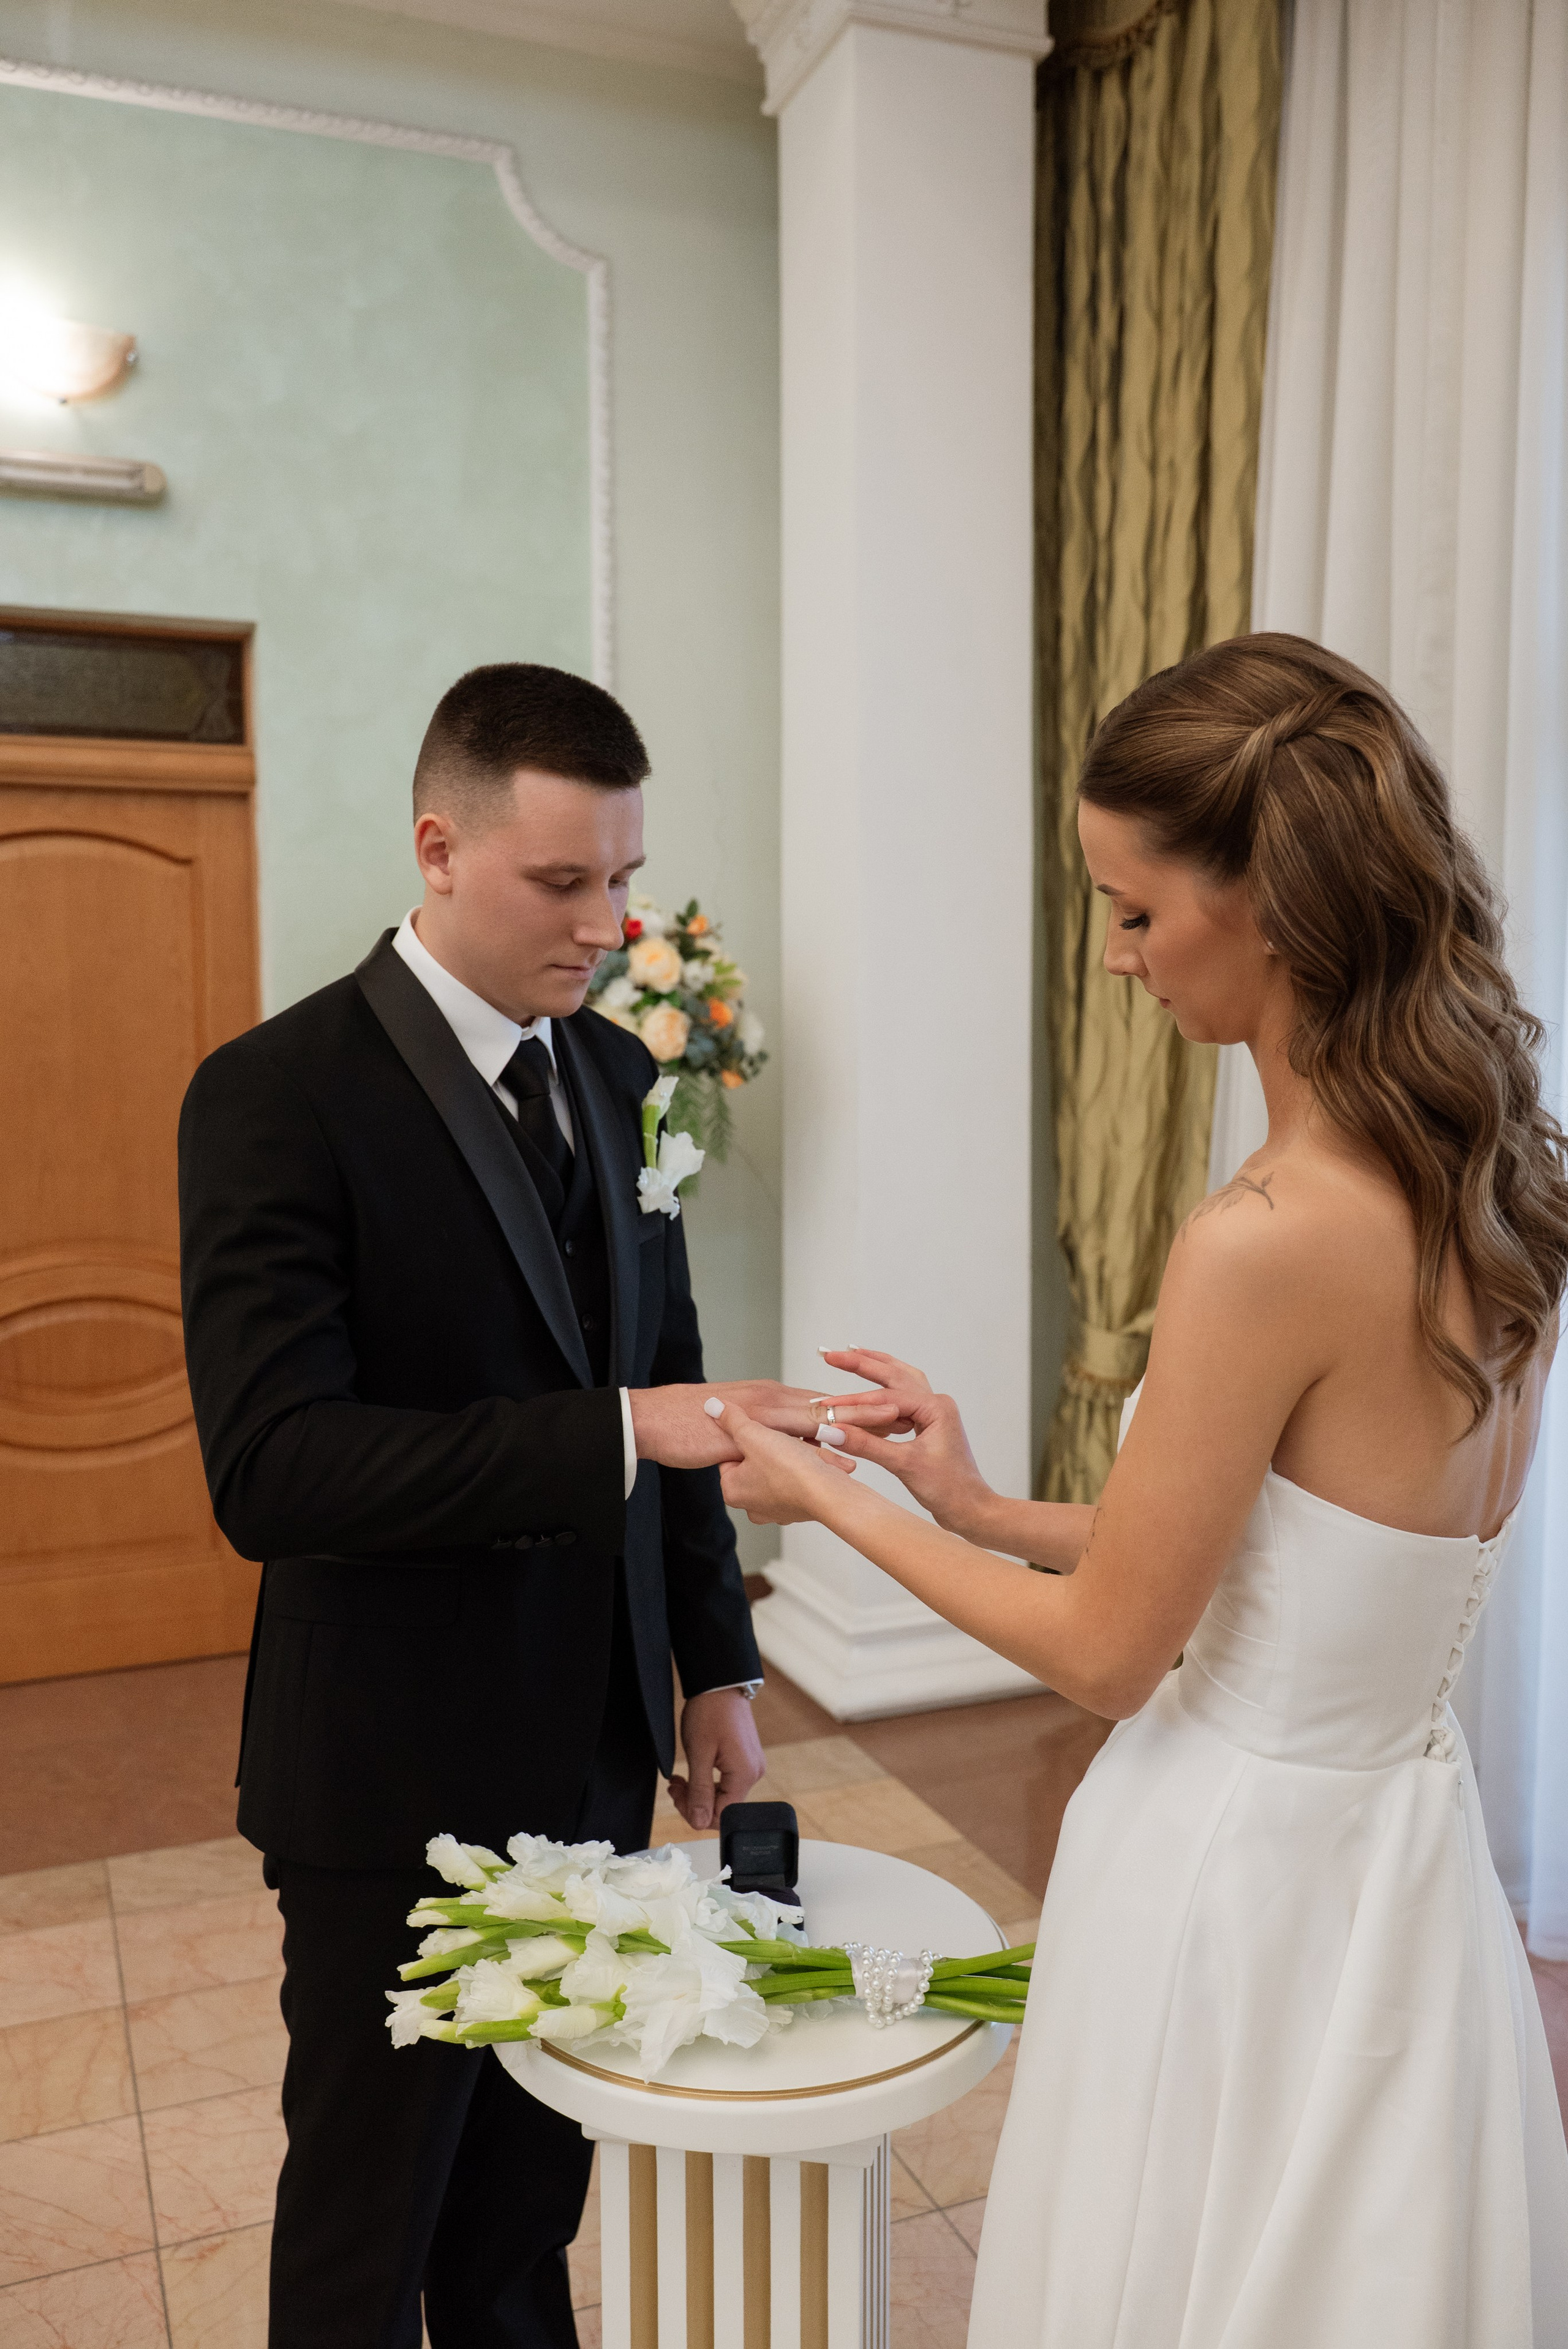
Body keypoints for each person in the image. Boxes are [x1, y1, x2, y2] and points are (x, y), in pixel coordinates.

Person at [706, 634, 1568, 2346]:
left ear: (1279, 904)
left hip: (1236, 1870)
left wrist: (830, 1503)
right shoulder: (1494, 1172)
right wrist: (965, 1496)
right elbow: (1299, 1567)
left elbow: (1110, 1656)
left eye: (1136, 907)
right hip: (1398, 1860)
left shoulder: (1269, 1233)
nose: (1115, 956)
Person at [176, 663, 835, 2349]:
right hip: (389, 1773)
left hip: (595, 1749)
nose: (608, 923)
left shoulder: (622, 1084)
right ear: (438, 847)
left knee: (525, 2213)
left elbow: (672, 1395)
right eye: (564, 882)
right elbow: (274, 1471)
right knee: (366, 2226)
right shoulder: (277, 1095)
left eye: (622, 876)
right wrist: (612, 1428)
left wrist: (715, 1664)